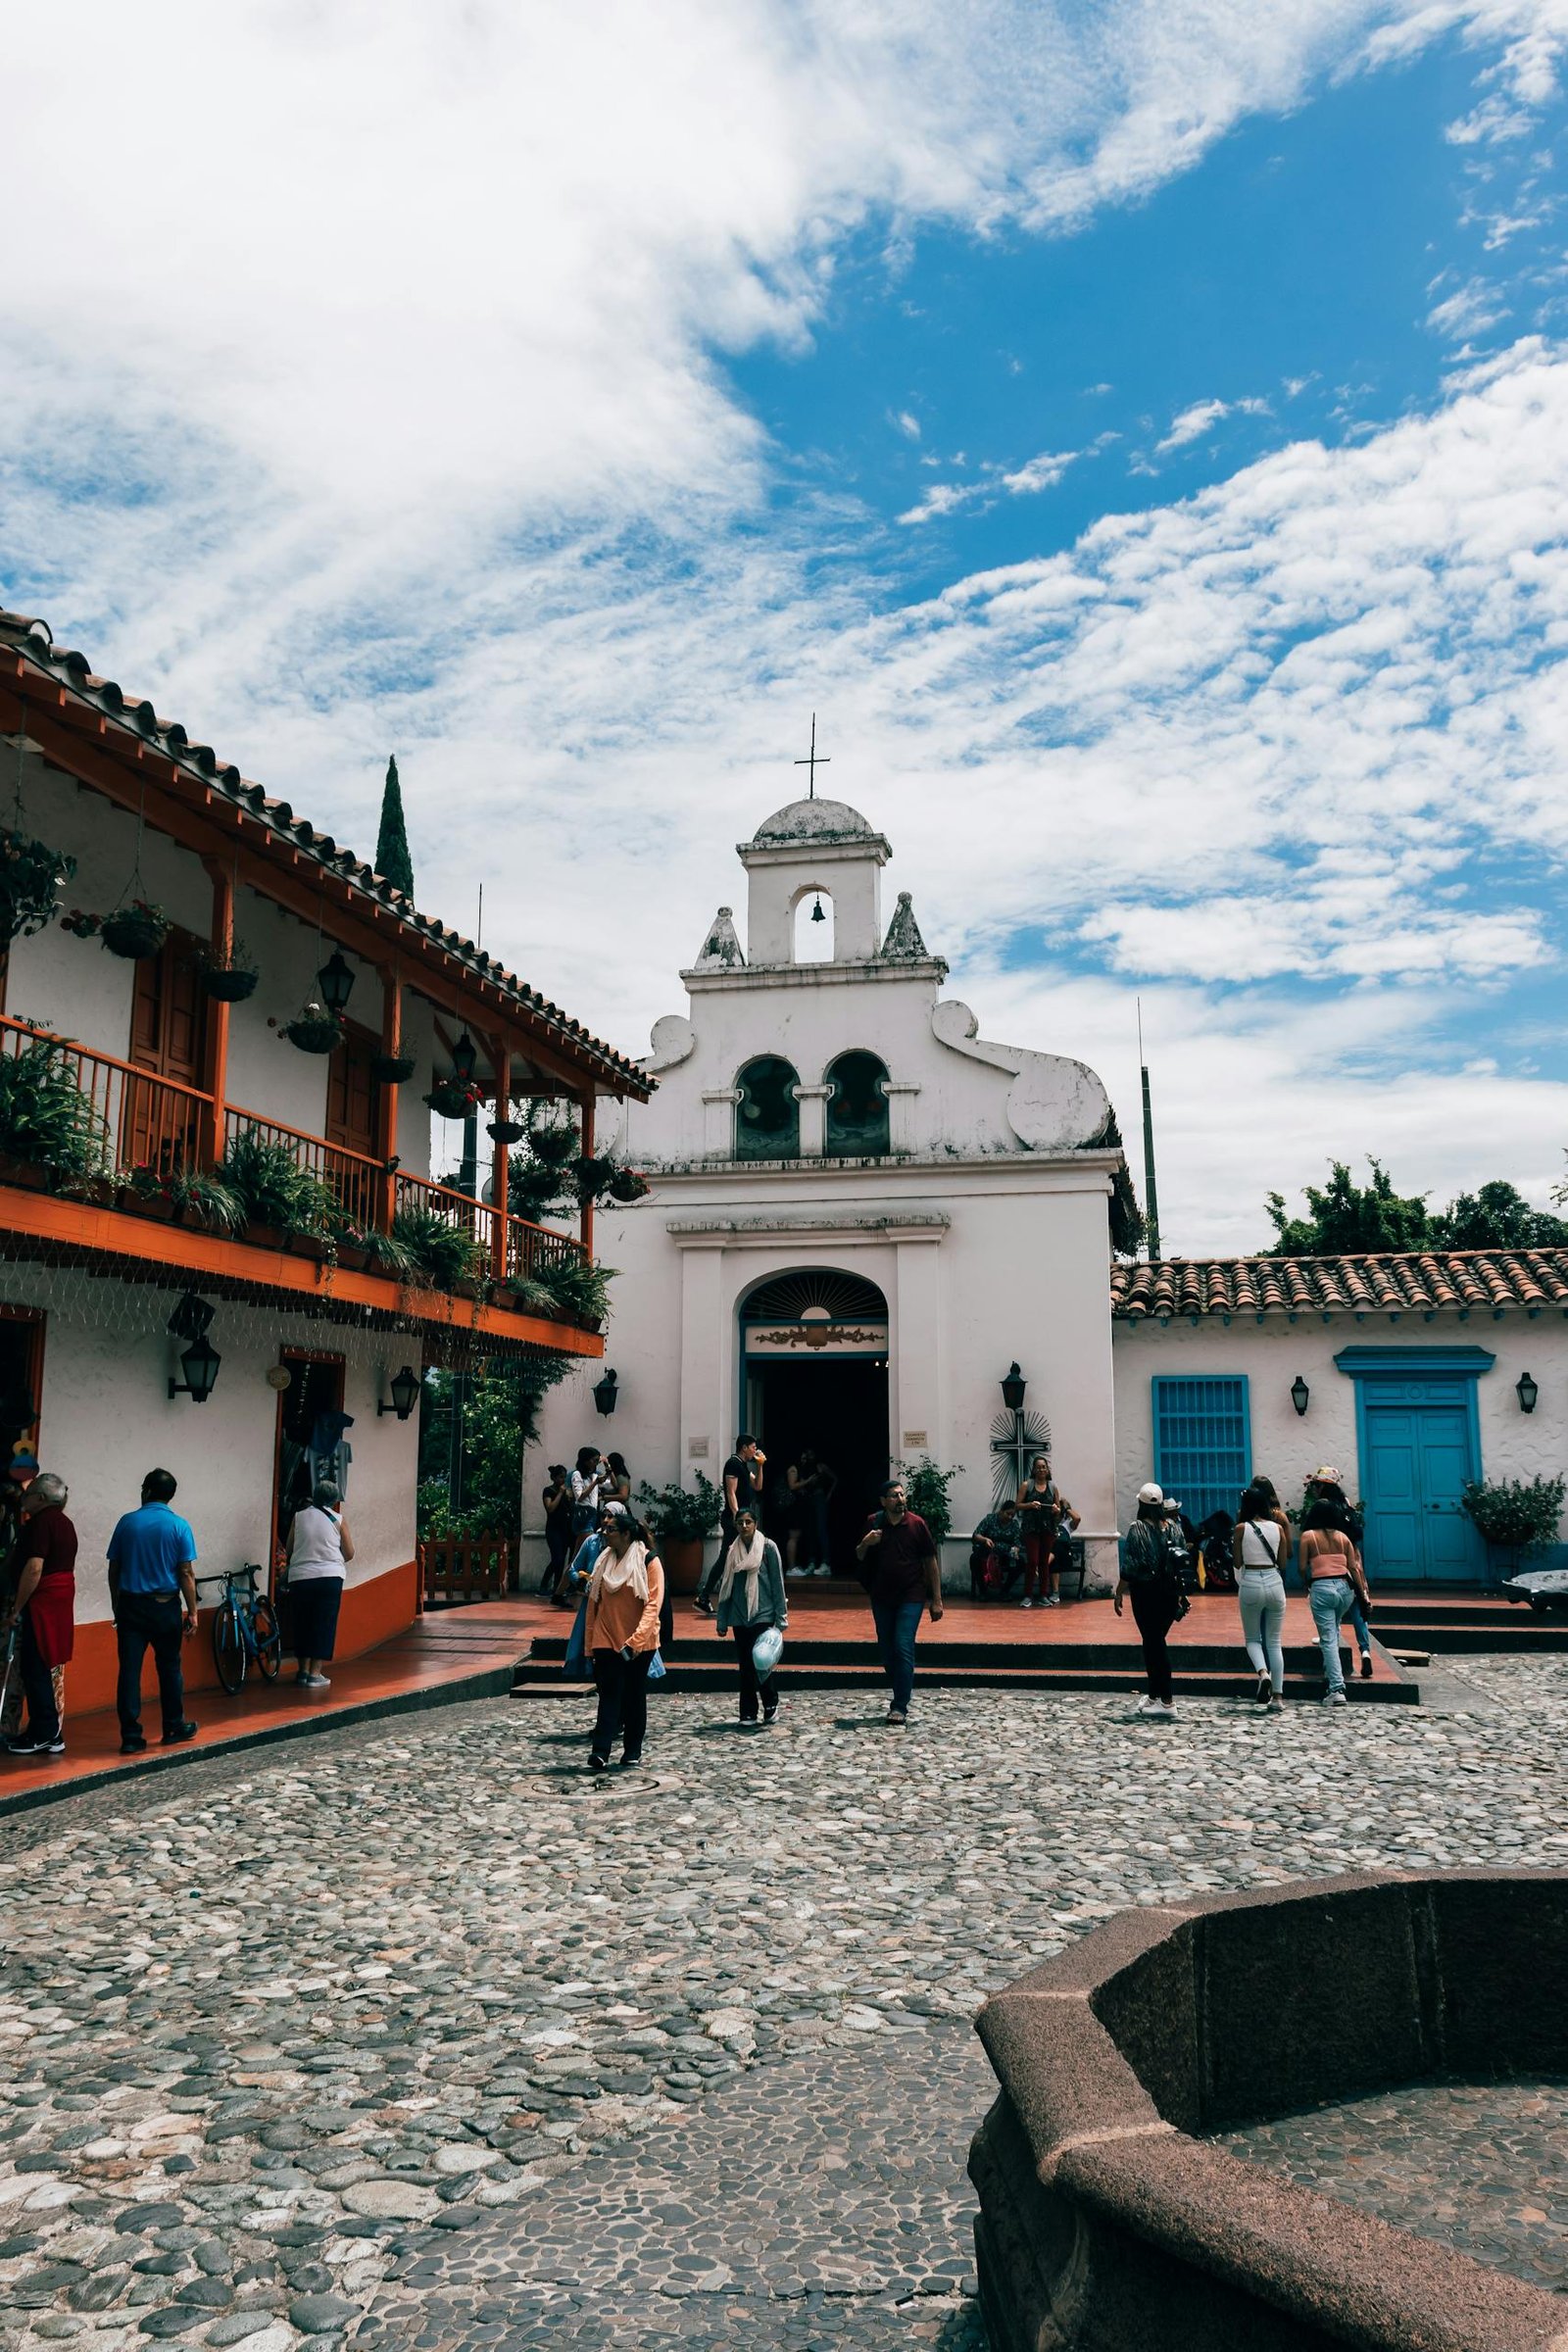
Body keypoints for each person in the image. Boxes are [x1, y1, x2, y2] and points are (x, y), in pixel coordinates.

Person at [107, 1467, 199, 1755]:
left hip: (131, 1606)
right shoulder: (180, 1526)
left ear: (146, 1491)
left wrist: (116, 1604)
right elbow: (185, 1572)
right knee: (170, 1667)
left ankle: (131, 1736)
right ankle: (173, 1726)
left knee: (130, 1671)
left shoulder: (127, 1523)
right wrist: (193, 1611)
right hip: (165, 1606)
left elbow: (115, 1567)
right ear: (170, 1496)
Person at [855, 1477, 943, 1727]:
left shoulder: (917, 1525)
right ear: (883, 1501)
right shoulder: (874, 1523)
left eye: (902, 1495)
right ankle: (901, 1685)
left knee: (903, 1644)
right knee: (887, 1650)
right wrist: (866, 1542)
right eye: (894, 1496)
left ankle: (899, 1705)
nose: (900, 1500)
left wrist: (936, 1600)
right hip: (881, 1596)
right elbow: (859, 1555)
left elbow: (931, 1562)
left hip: (911, 1596)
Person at [0, 1473, 76, 1760]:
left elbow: (34, 1568)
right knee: (43, 1664)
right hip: (57, 1600)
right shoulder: (64, 1523)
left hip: (42, 1602)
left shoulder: (41, 1524)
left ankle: (45, 1734)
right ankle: (48, 1732)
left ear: (41, 1498)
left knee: (36, 1666)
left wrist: (17, 1608)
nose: (24, 1497)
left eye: (29, 1492)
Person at [583, 1503, 665, 1770]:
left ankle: (632, 1749)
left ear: (627, 1534)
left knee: (633, 1694)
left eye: (612, 1529)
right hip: (607, 1638)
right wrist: (590, 1643)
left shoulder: (648, 1561)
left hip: (639, 1642)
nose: (606, 1533)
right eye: (605, 1528)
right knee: (608, 1694)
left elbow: (653, 1605)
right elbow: (594, 1605)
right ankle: (600, 1750)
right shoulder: (603, 1561)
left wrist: (636, 1642)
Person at [1114, 1481, 1186, 1720]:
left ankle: (1167, 1701)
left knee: (1154, 1642)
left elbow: (1130, 1566)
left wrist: (1118, 1592)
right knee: (1154, 1641)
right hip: (1170, 1592)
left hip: (1145, 1593)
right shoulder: (1175, 1527)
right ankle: (1154, 1696)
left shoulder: (1137, 1528)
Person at [1298, 1473, 1369, 1706]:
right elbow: (1354, 1569)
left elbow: (1301, 1567)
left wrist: (1307, 1583)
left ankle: (1336, 1688)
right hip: (1345, 1589)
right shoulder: (1343, 1537)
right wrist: (1363, 1595)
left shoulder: (1308, 1536)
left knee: (1328, 1638)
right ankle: (1330, 1672)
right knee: (1334, 1630)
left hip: (1322, 1587)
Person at [712, 1506, 787, 1726]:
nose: (744, 1526)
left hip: (763, 1614)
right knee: (745, 1665)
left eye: (748, 1522)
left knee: (762, 1662)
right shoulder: (732, 1551)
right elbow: (727, 1588)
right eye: (740, 1523)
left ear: (755, 1524)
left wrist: (781, 1617)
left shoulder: (768, 1548)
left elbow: (777, 1583)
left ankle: (770, 1705)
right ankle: (747, 1711)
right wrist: (722, 1620)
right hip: (739, 1615)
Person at [284, 1480, 354, 1689]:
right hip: (329, 1578)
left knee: (302, 1622)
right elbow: (349, 1553)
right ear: (333, 1500)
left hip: (300, 1577)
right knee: (323, 1623)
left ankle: (303, 1671)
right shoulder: (338, 1519)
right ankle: (316, 1674)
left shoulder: (299, 1517)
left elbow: (289, 1549)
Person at [696, 1433, 765, 1614]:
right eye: (753, 1447)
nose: (755, 1450)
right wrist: (738, 1519)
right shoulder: (733, 1463)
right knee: (728, 1557)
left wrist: (760, 1466)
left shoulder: (743, 1465)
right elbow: (730, 1492)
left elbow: (758, 1486)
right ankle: (704, 1597)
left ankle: (713, 1596)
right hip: (735, 1520)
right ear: (744, 1447)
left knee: (743, 1555)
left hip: (743, 1520)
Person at [1232, 1485, 1287, 1711]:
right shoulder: (1278, 1528)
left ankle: (1263, 1673)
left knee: (1253, 1639)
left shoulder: (1241, 1528)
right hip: (1274, 1582)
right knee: (1275, 1642)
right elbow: (1283, 1563)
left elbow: (1236, 1562)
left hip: (1251, 1581)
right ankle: (1278, 1697)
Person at [1016, 1455, 1080, 1608]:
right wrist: (1030, 1505)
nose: (1041, 1469)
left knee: (1044, 1563)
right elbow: (1017, 1505)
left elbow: (1057, 1512)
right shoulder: (1027, 1485)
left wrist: (1056, 1510)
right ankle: (1027, 1595)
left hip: (1048, 1530)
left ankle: (1043, 1595)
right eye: (1038, 1467)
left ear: (1047, 1469)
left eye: (1044, 1467)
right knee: (1032, 1561)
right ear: (1033, 1469)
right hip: (1031, 1529)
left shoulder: (1053, 1487)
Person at [784, 1448, 837, 1577]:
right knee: (810, 1531)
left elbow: (834, 1479)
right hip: (807, 1501)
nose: (808, 1458)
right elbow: (794, 1485)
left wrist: (828, 1495)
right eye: (806, 1455)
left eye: (810, 1454)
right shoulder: (800, 1469)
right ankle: (811, 1562)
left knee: (820, 1530)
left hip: (818, 1499)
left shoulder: (819, 1466)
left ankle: (825, 1563)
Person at [970, 1497, 1026, 1599]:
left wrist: (1016, 1550)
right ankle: (983, 1592)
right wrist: (985, 1540)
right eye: (1007, 1514)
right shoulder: (990, 1519)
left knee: (1020, 1562)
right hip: (989, 1553)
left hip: (1005, 1554)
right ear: (1001, 1511)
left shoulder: (1014, 1525)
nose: (1009, 1517)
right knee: (974, 1559)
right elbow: (976, 1534)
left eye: (1012, 1515)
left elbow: (1017, 1542)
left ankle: (1004, 1591)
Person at [540, 1465, 572, 1595]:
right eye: (560, 1477)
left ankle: (557, 1587)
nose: (562, 1480)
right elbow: (550, 1508)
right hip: (553, 1529)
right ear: (553, 1478)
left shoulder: (566, 1492)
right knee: (557, 1558)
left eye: (564, 1477)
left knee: (562, 1559)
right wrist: (560, 1493)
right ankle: (543, 1585)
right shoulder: (548, 1491)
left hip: (565, 1529)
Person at [569, 1446, 609, 1548]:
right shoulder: (577, 1474)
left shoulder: (594, 1475)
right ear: (586, 1461)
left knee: (583, 1549)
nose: (596, 1463)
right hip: (583, 1513)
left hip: (593, 1513)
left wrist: (606, 1463)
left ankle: (573, 1564)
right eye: (594, 1460)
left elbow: (613, 1484)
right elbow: (580, 1496)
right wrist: (595, 1483)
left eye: (597, 1461)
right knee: (585, 1547)